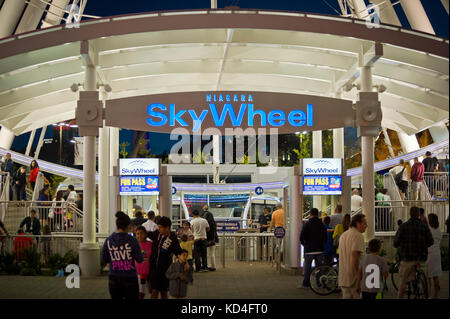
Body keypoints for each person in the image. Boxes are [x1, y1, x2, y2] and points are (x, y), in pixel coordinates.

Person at [101, 211, 143, 300]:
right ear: (128, 226)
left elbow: (104, 259)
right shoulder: (133, 240)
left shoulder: (109, 240)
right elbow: (139, 259)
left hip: (114, 277)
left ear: (117, 225)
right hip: (130, 277)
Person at [393, 206, 433, 299]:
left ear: (410, 214)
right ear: (419, 215)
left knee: (403, 282)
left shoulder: (403, 226)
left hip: (407, 258)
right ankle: (423, 289)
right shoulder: (424, 226)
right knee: (423, 278)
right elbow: (431, 241)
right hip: (422, 258)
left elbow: (395, 243)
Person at [147, 216, 182, 299]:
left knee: (164, 291)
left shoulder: (172, 238)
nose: (159, 229)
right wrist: (140, 232)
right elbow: (149, 234)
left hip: (165, 270)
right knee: (154, 291)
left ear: (167, 227)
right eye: (158, 227)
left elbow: (178, 251)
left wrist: (184, 262)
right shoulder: (156, 234)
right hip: (154, 269)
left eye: (160, 227)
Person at [338, 214, 367, 299]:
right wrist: (358, 273)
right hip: (354, 277)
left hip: (343, 275)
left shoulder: (343, 235)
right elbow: (355, 254)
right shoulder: (358, 236)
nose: (366, 226)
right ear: (358, 223)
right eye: (364, 223)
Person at [298, 208, 327, 289]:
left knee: (308, 268)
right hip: (320, 249)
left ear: (310, 214)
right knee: (319, 268)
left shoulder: (307, 224)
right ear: (317, 214)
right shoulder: (322, 224)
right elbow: (325, 237)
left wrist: (305, 245)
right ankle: (319, 283)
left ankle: (306, 284)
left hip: (309, 250)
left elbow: (301, 237)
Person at [426, 213, 442, 299]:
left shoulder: (429, 230)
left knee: (429, 275)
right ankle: (436, 295)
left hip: (430, 253)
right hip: (437, 253)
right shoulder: (439, 231)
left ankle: (429, 292)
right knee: (435, 276)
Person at [135, 226, 152, 299]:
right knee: (140, 293)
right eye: (137, 233)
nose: (139, 235)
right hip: (137, 273)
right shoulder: (134, 244)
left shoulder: (150, 244)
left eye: (141, 233)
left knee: (147, 292)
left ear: (145, 234)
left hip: (148, 272)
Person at [202, 205, 218, 271]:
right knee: (212, 253)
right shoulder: (213, 223)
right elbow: (215, 231)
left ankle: (207, 265)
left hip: (206, 238)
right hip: (213, 239)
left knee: (206, 253)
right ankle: (213, 266)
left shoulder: (204, 221)